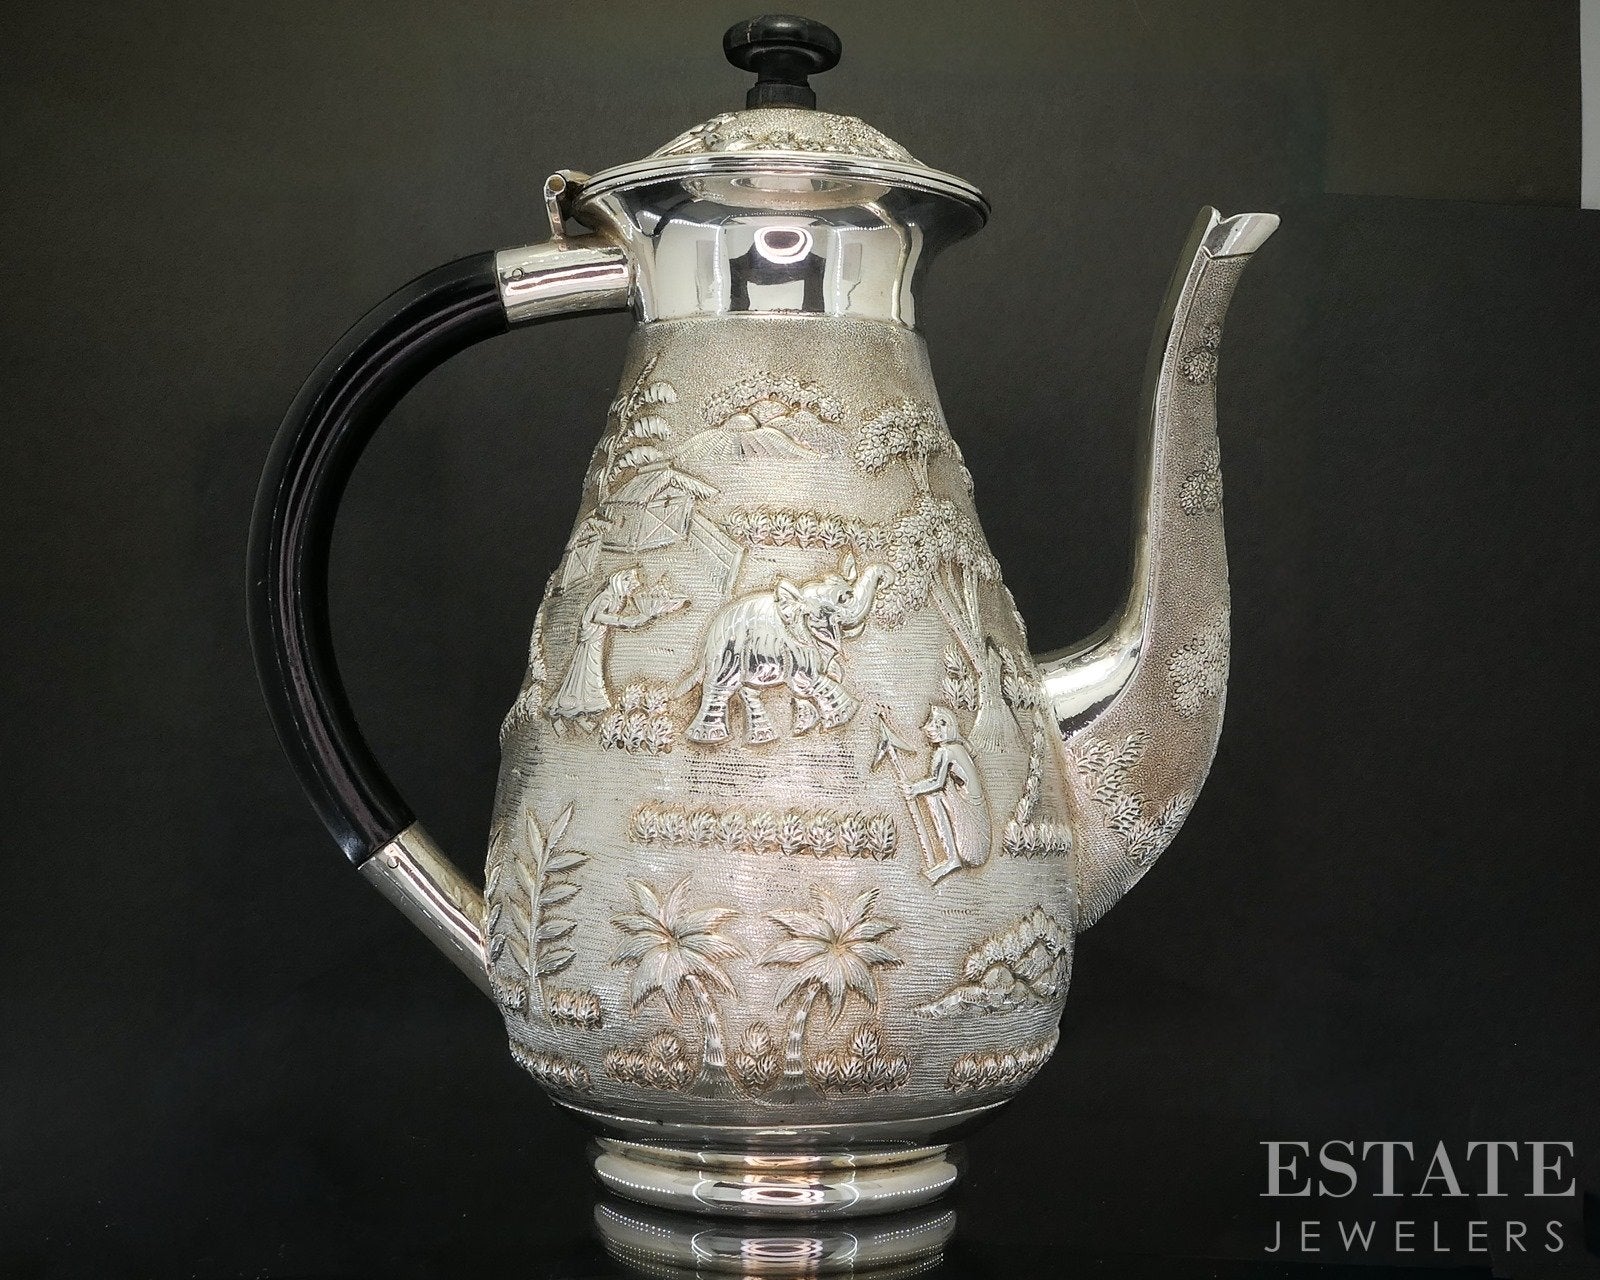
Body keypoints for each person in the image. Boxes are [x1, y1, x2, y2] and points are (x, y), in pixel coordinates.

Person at [547, 567, 661, 728]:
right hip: (591, 641)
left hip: (596, 640)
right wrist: (623, 621)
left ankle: (580, 711)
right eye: (630, 585)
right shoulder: (606, 596)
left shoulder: (612, 597)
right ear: (621, 581)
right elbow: (598, 616)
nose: (632, 589)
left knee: (591, 675)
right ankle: (567, 709)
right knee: (585, 675)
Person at [908, 705, 992, 881]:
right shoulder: (958, 747)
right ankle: (951, 859)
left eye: (939, 724)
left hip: (969, 811)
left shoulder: (945, 752)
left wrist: (913, 789)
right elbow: (973, 753)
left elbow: (937, 782)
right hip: (976, 806)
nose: (931, 729)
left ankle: (951, 859)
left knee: (933, 797)